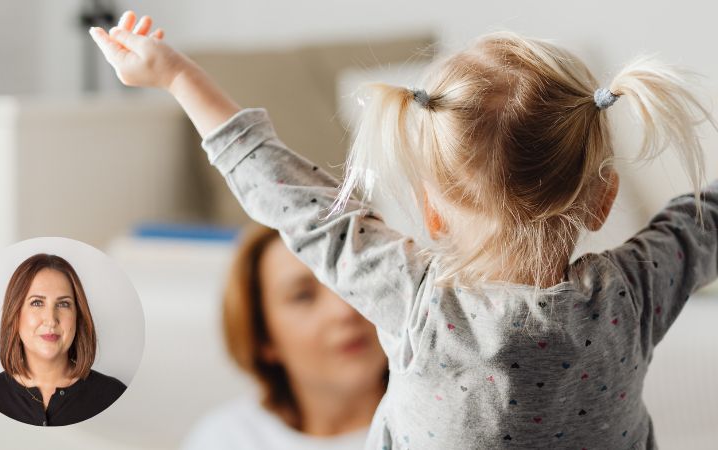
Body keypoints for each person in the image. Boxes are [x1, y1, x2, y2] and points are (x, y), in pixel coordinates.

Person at [90, 11, 718, 449]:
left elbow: (289, 198)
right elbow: (706, 220)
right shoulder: (634, 291)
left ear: (432, 210)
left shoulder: (419, 301)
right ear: (602, 200)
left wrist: (176, 76)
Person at [182, 223, 388, 450]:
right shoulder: (223, 440)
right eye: (303, 296)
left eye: (352, 281)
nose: (345, 311)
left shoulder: (429, 433)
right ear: (263, 337)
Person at [0, 253, 126, 426]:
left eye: (63, 304)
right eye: (37, 303)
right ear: (15, 314)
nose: (51, 320)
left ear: (78, 316)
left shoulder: (114, 395)